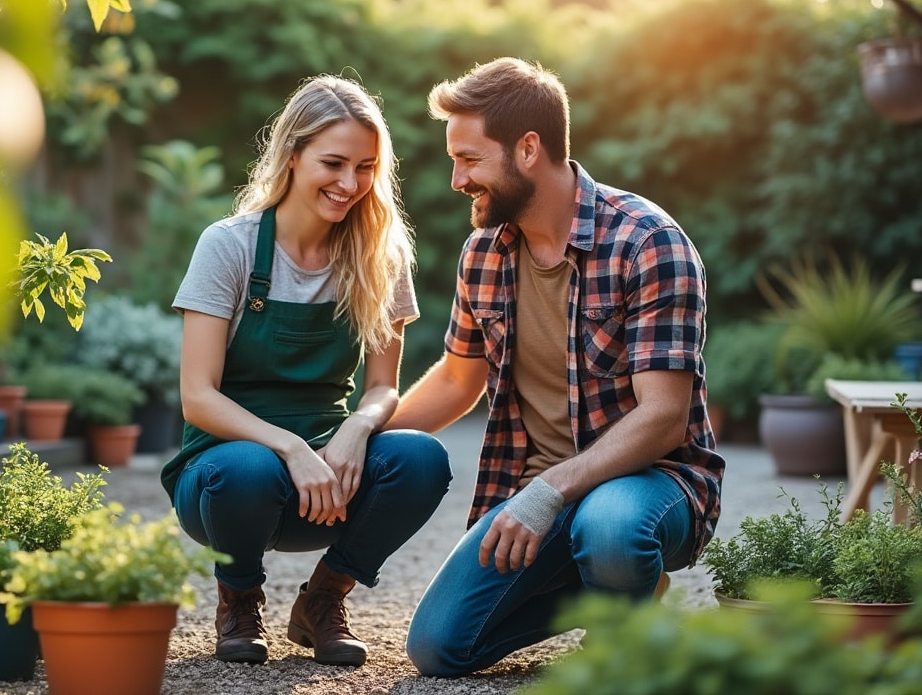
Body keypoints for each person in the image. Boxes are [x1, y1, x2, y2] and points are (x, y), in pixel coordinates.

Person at [387, 57, 725, 677]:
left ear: (528, 148)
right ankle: (612, 595)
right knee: (438, 648)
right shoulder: (484, 251)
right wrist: (365, 441)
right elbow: (459, 378)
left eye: (469, 159)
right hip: (534, 494)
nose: (457, 179)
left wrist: (549, 491)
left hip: (651, 486)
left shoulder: (650, 242)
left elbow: (664, 419)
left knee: (612, 527)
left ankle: (621, 649)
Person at [160, 75, 451, 668]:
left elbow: (381, 387)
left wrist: (357, 429)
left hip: (331, 479)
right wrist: (291, 448)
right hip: (224, 477)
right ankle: (239, 598)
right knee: (246, 468)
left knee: (422, 458)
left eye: (365, 167)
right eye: (334, 163)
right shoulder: (229, 247)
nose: (350, 184)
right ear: (292, 155)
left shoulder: (381, 256)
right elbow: (197, 397)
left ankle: (322, 601)